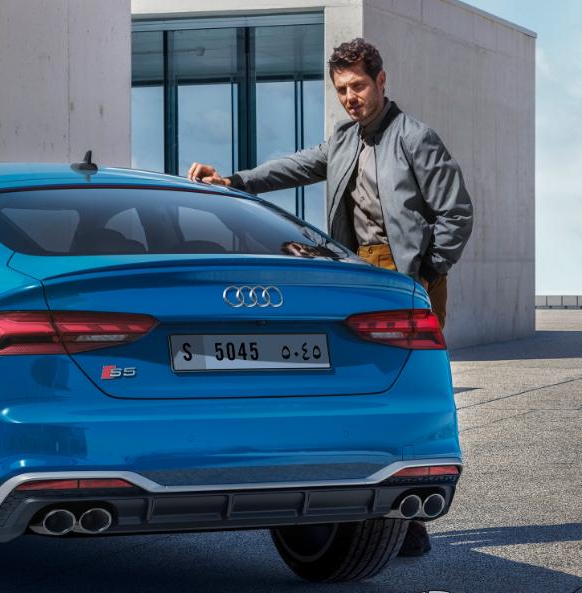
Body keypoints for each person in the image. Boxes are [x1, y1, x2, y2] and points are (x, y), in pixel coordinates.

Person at [188, 38, 473, 557]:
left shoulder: (415, 138)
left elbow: (456, 213)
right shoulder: (344, 138)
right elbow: (296, 166)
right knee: (355, 389)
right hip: (357, 275)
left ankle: (409, 516)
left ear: (381, 81)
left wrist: (428, 272)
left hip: (407, 276)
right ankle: (366, 502)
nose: (350, 97)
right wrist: (234, 181)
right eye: (342, 89)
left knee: (403, 389)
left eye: (358, 86)